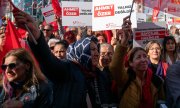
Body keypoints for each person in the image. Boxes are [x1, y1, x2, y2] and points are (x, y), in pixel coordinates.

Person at [13, 9, 117, 108]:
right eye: (92, 49)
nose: (96, 54)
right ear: (80, 51)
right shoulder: (68, 69)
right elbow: (48, 61)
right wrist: (36, 34)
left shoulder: (99, 75)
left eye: (96, 50)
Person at [109, 16, 165, 108]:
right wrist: (124, 41)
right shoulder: (125, 78)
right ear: (130, 63)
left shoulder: (156, 81)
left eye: (144, 56)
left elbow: (161, 102)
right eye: (138, 57)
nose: (143, 59)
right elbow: (115, 67)